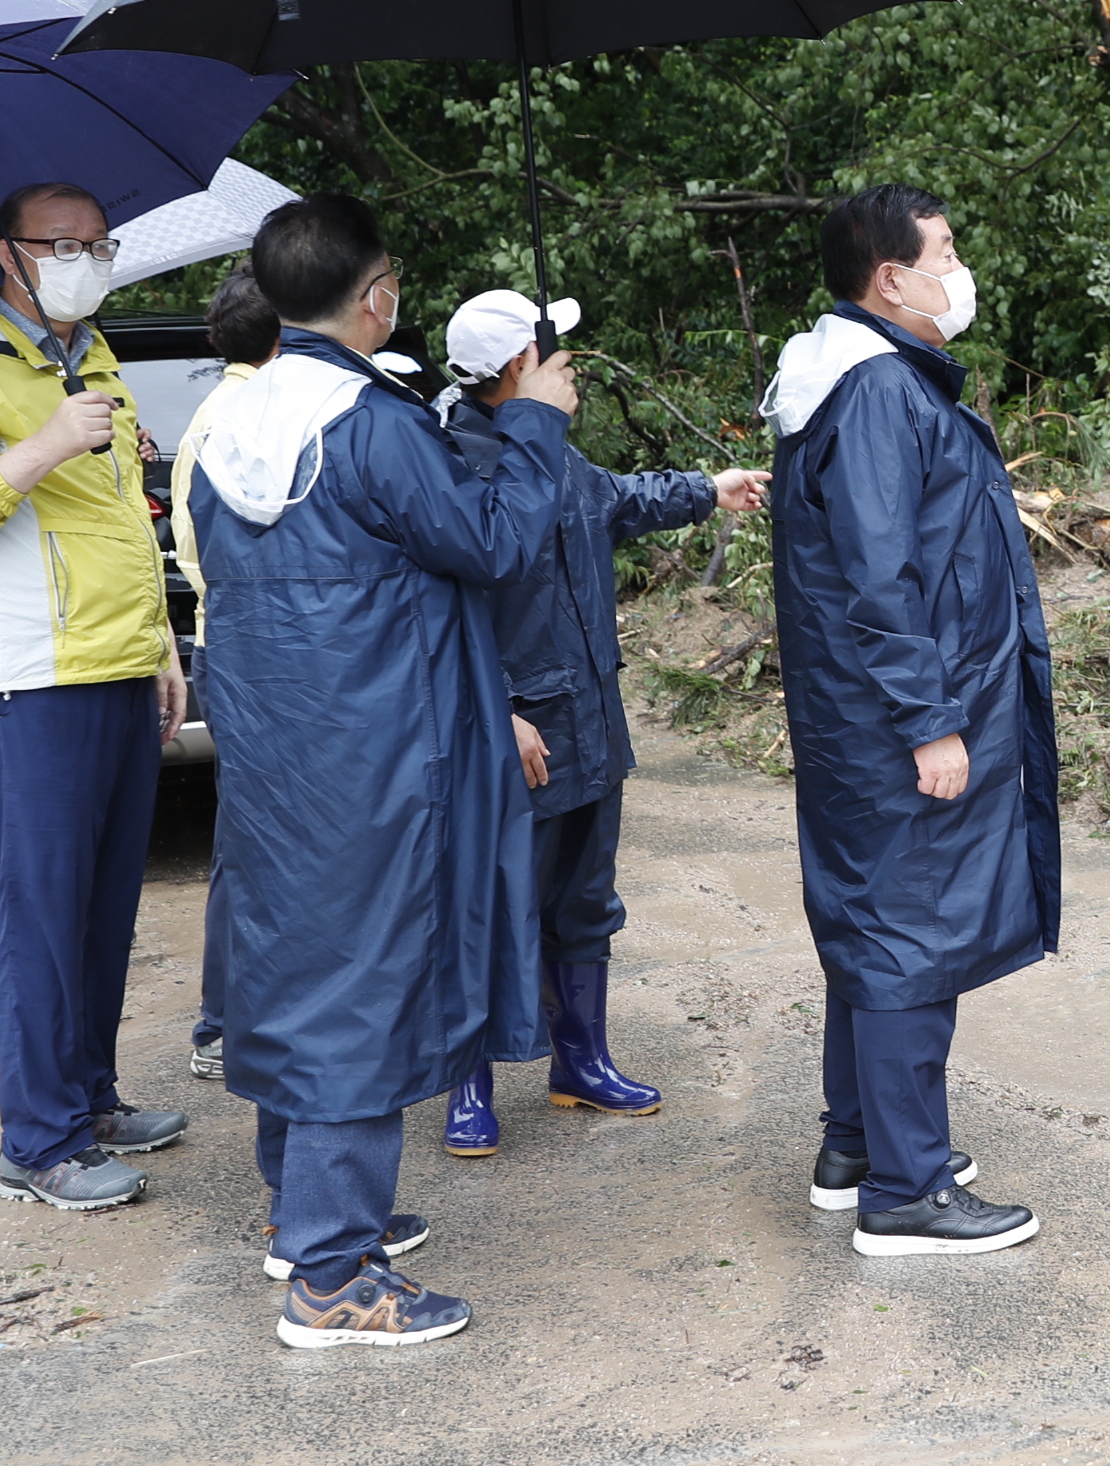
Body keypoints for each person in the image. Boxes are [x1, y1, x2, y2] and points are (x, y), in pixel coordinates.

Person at [186, 195, 574, 1349]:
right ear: (376, 296)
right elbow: (490, 544)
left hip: (280, 752)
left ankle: (299, 1213)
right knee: (362, 989)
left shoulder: (229, 425)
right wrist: (537, 420)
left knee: (298, 968)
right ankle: (332, 1275)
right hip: (381, 752)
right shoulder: (369, 422)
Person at [763, 183, 1057, 1257]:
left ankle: (857, 1146)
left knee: (875, 922)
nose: (957, 270)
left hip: (867, 710)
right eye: (945, 252)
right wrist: (931, 721)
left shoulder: (853, 377)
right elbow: (880, 576)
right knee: (907, 935)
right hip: (897, 715)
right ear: (890, 279)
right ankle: (907, 1191)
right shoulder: (878, 390)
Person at [0, 182, 191, 1215]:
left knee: (104, 909)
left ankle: (89, 1099)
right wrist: (41, 446)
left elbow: (123, 519)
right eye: (62, 245)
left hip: (117, 664)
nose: (86, 261)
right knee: (43, 914)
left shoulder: (93, 356)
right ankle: (38, 1142)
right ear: (8, 255)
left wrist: (159, 647)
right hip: (30, 677)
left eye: (99, 245)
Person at [430, 287, 770, 1155]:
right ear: (518, 366)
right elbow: (439, 616)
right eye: (552, 352)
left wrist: (708, 489)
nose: (568, 364)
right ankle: (466, 1087)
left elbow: (617, 500)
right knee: (489, 904)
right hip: (517, 733)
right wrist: (494, 710)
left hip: (589, 719)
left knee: (584, 899)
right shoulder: (452, 468)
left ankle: (580, 1063)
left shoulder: (556, 453)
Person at [169, 271, 279, 1086]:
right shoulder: (247, 417)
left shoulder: (216, 411)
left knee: (248, 838)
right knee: (249, 843)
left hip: (228, 646)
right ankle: (220, 1025)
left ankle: (232, 1019)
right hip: (251, 652)